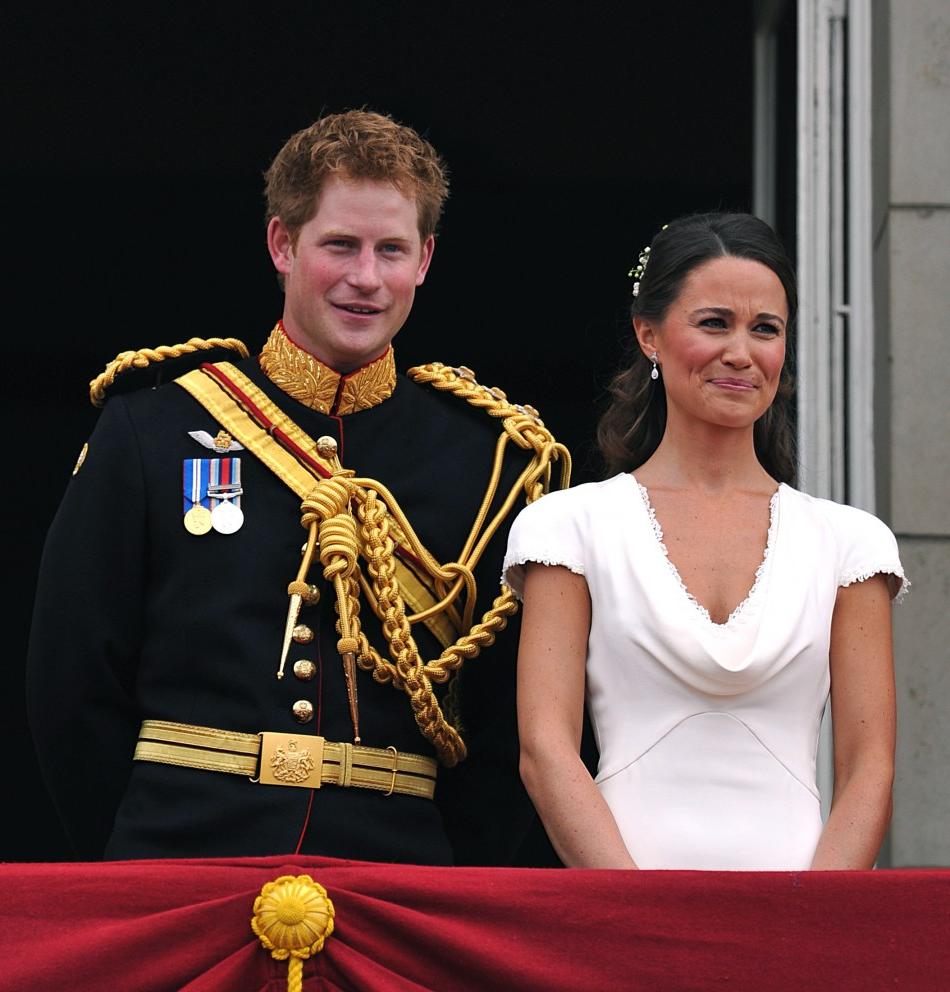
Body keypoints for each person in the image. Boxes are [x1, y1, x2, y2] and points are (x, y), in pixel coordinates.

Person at [27, 110, 569, 865]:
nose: (366, 277)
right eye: (339, 245)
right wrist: (132, 856)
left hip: (396, 878)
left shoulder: (489, 464)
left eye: (392, 250)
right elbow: (72, 683)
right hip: (183, 859)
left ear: (426, 260)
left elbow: (504, 724)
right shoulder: (152, 428)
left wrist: (453, 881)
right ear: (282, 244)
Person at [503, 212, 904, 871]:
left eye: (765, 329)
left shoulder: (850, 544)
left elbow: (870, 768)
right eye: (714, 323)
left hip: (793, 935)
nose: (741, 353)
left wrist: (807, 933)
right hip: (621, 924)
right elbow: (545, 749)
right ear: (649, 334)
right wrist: (644, 922)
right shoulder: (567, 526)